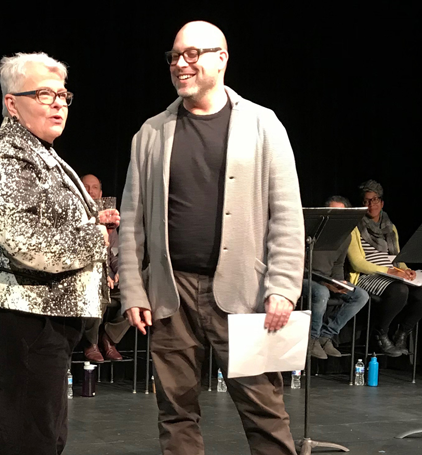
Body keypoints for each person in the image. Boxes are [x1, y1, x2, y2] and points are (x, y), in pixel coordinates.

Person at [119, 21, 304, 455]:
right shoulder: (150, 133)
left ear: (221, 58)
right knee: (176, 412)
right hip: (171, 294)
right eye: (175, 56)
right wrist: (132, 289)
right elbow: (132, 222)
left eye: (192, 54)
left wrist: (282, 287)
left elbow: (286, 215)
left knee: (265, 413)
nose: (181, 64)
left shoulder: (264, 125)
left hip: (245, 293)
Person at [0, 52, 116, 455]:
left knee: (43, 434)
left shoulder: (40, 152)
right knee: (26, 438)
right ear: (12, 103)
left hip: (46, 316)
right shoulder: (9, 154)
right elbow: (25, 242)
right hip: (24, 316)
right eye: (45, 94)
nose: (58, 103)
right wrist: (95, 236)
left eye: (63, 95)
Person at [346, 180, 422, 356]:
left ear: (382, 203)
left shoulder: (390, 227)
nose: (371, 204)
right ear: (362, 204)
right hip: (367, 276)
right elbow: (357, 263)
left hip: (392, 273)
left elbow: (397, 259)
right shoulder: (354, 226)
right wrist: (390, 271)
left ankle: (402, 332)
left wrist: (405, 271)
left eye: (375, 200)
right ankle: (380, 333)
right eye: (367, 201)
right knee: (399, 290)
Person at [304, 196, 369, 359]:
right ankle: (312, 339)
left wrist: (339, 282)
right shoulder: (311, 232)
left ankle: (326, 335)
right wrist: (327, 283)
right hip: (303, 278)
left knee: (361, 296)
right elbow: (299, 266)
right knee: (321, 292)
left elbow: (338, 264)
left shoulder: (345, 236)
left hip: (326, 280)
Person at [80, 174, 129, 362]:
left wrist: (119, 272)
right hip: (88, 279)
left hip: (110, 282)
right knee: (95, 293)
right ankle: (90, 343)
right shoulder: (76, 220)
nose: (91, 191)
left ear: (101, 194)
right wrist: (102, 275)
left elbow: (114, 256)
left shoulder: (109, 222)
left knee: (135, 293)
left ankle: (109, 338)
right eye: (86, 187)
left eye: (94, 188)